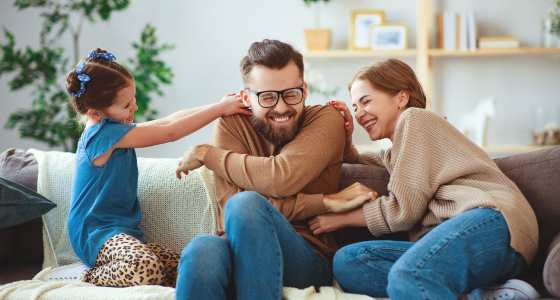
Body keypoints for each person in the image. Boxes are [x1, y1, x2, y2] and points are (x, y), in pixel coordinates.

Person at [315, 58, 540, 299]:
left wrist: (342, 219)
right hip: (453, 240)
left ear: (401, 97)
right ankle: (481, 292)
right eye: (355, 106)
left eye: (366, 101)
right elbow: (358, 161)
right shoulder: (395, 153)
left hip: (493, 221)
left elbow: (403, 210)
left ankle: (454, 285)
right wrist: (346, 137)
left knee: (407, 275)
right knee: (347, 262)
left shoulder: (416, 119)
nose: (359, 113)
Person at [174, 39, 374, 300]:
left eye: (291, 94)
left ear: (304, 88)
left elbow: (281, 178)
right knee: (203, 247)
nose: (281, 107)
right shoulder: (230, 125)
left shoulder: (326, 119)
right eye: (267, 97)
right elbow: (231, 211)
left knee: (246, 204)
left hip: (304, 256)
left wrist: (207, 154)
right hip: (232, 245)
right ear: (246, 97)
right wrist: (323, 202)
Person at [44, 48, 251, 287]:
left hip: (122, 234)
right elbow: (170, 133)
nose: (135, 108)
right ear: (95, 113)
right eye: (126, 106)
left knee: (184, 267)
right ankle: (83, 276)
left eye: (133, 100)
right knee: (145, 268)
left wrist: (219, 105)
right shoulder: (100, 136)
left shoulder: (116, 130)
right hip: (95, 235)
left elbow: (170, 120)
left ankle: (119, 267)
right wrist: (220, 110)